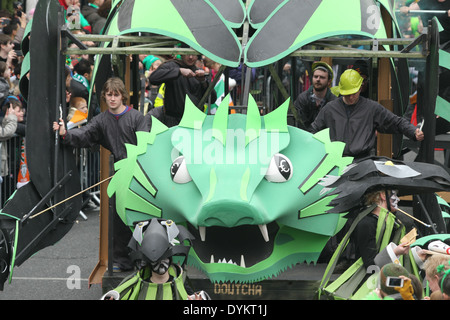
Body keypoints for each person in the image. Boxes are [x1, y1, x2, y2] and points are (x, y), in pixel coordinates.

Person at [53, 77, 150, 272]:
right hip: (119, 174)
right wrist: (65, 134)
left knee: (142, 219)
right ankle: (122, 260)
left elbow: (147, 145)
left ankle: (146, 259)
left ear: (122, 95)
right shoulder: (100, 120)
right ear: (104, 97)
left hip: (140, 174)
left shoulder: (137, 118)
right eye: (109, 95)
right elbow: (85, 134)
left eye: (116, 95)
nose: (113, 98)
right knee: (119, 220)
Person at [311, 69, 424, 161]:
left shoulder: (371, 108)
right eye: (347, 94)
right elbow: (314, 131)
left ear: (360, 88)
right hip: (335, 161)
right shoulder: (330, 109)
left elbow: (395, 122)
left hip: (363, 161)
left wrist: (413, 132)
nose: (351, 97)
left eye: (354, 93)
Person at [148, 44, 215, 127]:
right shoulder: (171, 65)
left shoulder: (199, 72)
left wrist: (203, 81)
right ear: (182, 53)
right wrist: (178, 71)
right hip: (173, 121)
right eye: (187, 53)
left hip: (194, 121)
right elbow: (153, 78)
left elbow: (212, 99)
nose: (190, 57)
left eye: (193, 54)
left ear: (197, 56)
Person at [352, 189, 410, 270]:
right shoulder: (366, 224)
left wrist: (418, 255)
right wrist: (394, 252)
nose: (398, 199)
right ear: (383, 195)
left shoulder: (393, 223)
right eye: (395, 195)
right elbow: (370, 266)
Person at [294, 61, 337, 132]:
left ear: (329, 81)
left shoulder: (334, 101)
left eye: (322, 77)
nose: (318, 79)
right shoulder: (302, 98)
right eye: (315, 77)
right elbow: (299, 124)